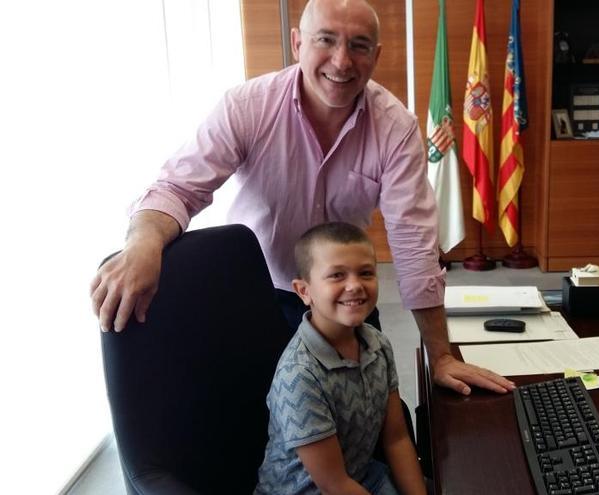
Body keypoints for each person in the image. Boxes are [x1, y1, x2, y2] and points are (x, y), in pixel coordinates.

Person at [89, 0, 513, 396]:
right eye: (325, 40)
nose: (342, 61)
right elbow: (176, 187)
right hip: (260, 296)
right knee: (262, 427)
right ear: (297, 43)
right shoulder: (247, 107)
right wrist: (143, 243)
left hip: (343, 299)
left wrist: (440, 355)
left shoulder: (394, 127)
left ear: (376, 55)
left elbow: (413, 245)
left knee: (378, 424)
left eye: (358, 45)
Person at [254, 222, 424, 495]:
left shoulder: (377, 344)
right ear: (304, 291)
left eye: (366, 272)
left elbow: (397, 439)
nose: (355, 285)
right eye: (337, 276)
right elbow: (334, 485)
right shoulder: (299, 375)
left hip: (363, 476)